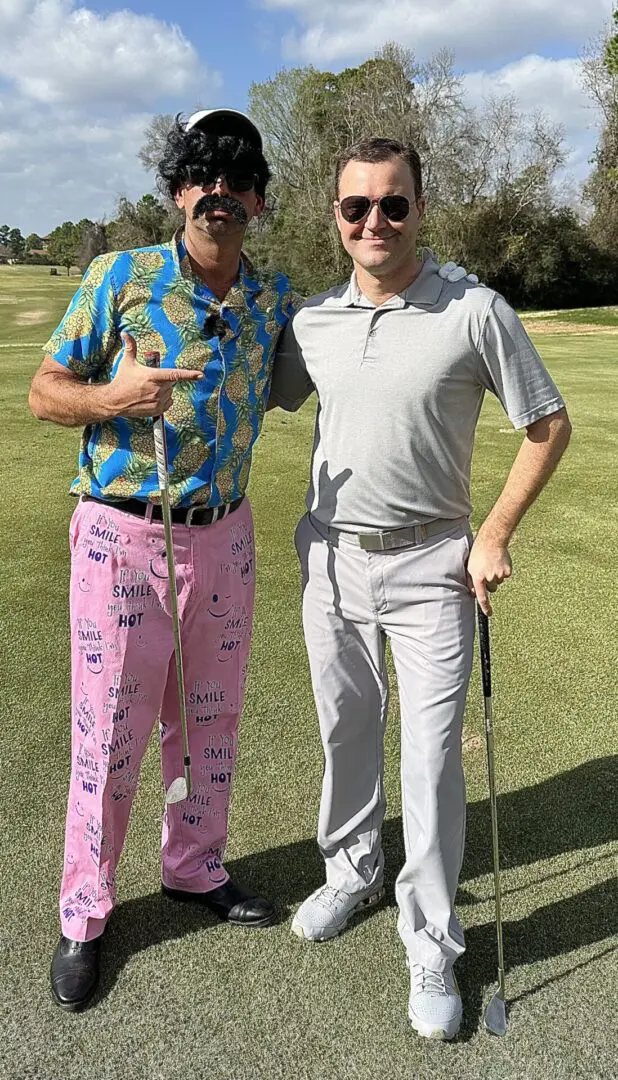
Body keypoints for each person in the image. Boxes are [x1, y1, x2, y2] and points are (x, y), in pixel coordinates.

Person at [269, 136, 571, 1040]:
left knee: (433, 757)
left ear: (419, 210)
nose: (373, 222)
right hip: (330, 557)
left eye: (392, 205)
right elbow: (262, 391)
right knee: (345, 726)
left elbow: (548, 426)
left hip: (434, 562)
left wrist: (495, 533)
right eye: (355, 206)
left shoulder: (474, 311)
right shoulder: (313, 318)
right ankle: (353, 869)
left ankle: (433, 935)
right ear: (335, 215)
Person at [28, 108, 297, 1011]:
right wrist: (116, 393)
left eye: (235, 175)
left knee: (210, 722)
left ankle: (192, 865)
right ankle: (85, 910)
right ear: (178, 188)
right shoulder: (121, 277)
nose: (217, 190)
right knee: (109, 733)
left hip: (226, 534)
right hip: (122, 534)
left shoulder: (271, 300)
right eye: (199, 172)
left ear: (257, 198)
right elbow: (44, 389)